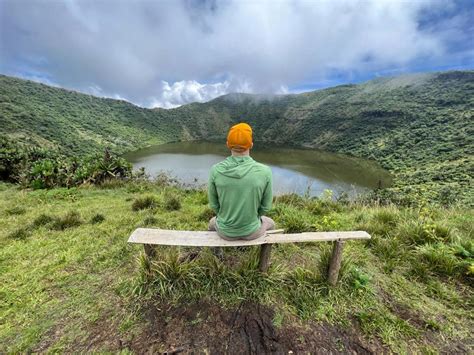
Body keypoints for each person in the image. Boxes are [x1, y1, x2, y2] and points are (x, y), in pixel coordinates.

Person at [208, 122, 275, 240]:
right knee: (270, 222)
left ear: (228, 144)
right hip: (252, 232)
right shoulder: (265, 171)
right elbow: (266, 207)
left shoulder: (215, 170)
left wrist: (225, 217)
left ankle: (217, 253)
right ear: (251, 145)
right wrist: (253, 217)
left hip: (225, 233)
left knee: (212, 222)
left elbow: (214, 205)